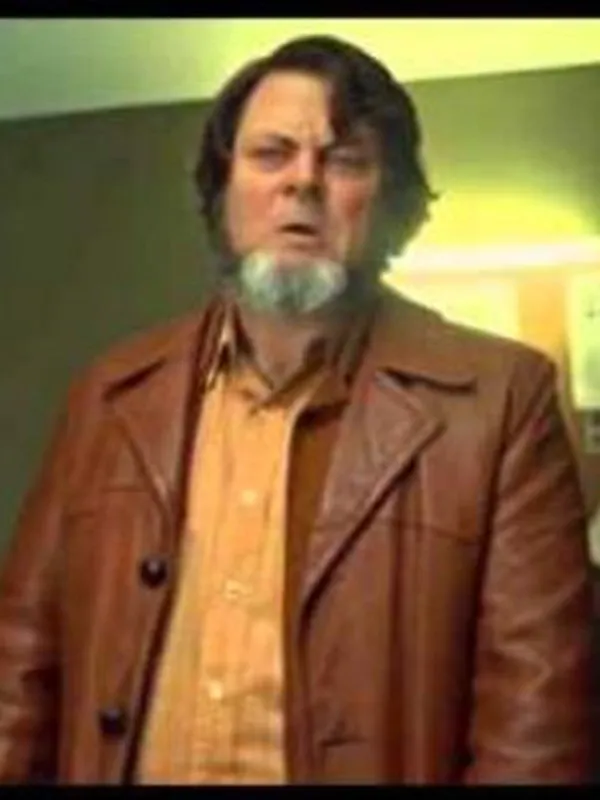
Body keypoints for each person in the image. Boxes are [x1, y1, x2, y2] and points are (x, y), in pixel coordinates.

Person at [0, 34, 594, 785]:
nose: (302, 183)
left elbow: (537, 729)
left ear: (391, 202)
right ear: (222, 192)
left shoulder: (502, 400)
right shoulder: (110, 395)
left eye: (343, 160)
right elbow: (18, 674)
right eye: (270, 154)